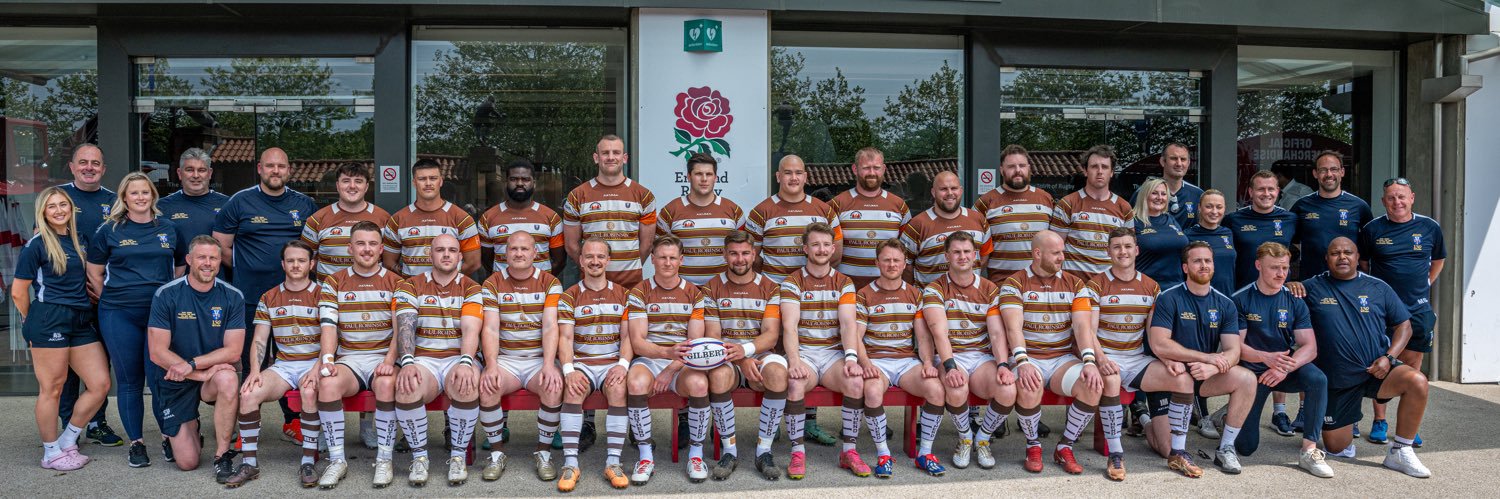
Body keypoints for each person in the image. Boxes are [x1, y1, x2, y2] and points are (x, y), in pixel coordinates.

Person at [1303, 237, 1432, 477]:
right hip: (1337, 381)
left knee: (1417, 381)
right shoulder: (1310, 287)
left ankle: (1400, 450)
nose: (1342, 257)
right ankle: (1346, 422)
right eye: (1335, 253)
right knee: (1336, 447)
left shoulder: (1378, 287)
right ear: (1326, 258)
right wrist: (1290, 285)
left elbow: (1405, 325)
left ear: (1357, 257)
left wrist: (1390, 358)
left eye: (1348, 252)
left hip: (1376, 370)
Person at [214, 147, 320, 437]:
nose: (276, 171)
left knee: (295, 360)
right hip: (250, 296)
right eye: (270, 166)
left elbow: (313, 248)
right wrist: (247, 269)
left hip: (296, 299)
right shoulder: (240, 201)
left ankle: (294, 422)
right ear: (259, 168)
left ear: (288, 170)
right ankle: (250, 424)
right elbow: (220, 245)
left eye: (281, 166)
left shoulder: (304, 203)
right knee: (253, 362)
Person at [85, 172, 187, 468]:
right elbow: (94, 271)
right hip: (119, 313)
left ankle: (168, 437)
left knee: (158, 380)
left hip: (158, 316)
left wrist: (166, 293)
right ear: (124, 198)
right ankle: (137, 444)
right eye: (134, 193)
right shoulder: (110, 230)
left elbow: (181, 264)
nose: (141, 197)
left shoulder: (168, 227)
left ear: (153, 196)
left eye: (145, 192)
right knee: (130, 381)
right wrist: (110, 298)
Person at [1085, 227, 1200, 479]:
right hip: (1108, 357)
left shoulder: (1151, 286)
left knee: (1183, 379)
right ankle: (1116, 455)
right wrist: (1101, 360)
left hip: (1136, 359)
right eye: (1116, 247)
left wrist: (1168, 359)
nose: (1122, 251)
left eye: (1127, 246)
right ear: (1108, 252)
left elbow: (1154, 334)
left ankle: (1178, 453)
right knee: (1112, 379)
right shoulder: (1096, 283)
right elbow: (1089, 332)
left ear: (1136, 250)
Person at [745, 154, 842, 446]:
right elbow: (753, 255)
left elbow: (836, 251)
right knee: (778, 359)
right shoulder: (761, 211)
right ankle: (772, 424)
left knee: (809, 356)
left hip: (815, 293)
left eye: (799, 172)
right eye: (787, 173)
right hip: (775, 295)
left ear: (806, 177)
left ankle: (809, 423)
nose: (793, 178)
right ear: (778, 177)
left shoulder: (824, 210)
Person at [12, 186, 112, 471]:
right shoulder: (37, 244)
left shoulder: (79, 240)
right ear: (43, 212)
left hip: (80, 319)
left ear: (71, 209)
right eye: (52, 206)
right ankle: (50, 452)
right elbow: (19, 292)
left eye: (63, 205)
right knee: (52, 389)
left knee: (100, 383)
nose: (58, 210)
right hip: (49, 319)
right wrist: (33, 321)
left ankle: (68, 440)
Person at [999, 230, 1114, 475]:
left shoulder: (1075, 283)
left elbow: (1083, 327)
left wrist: (1090, 361)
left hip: (1061, 358)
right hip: (1028, 356)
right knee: (1029, 384)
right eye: (1056, 253)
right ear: (1037, 253)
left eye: (1063, 251)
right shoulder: (1014, 283)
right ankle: (1033, 445)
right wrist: (1022, 361)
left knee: (1093, 384)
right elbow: (1013, 328)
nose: (1062, 257)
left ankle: (1064, 446)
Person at [1278, 151, 1371, 436]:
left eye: (1334, 169)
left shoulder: (1359, 207)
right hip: (1311, 289)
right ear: (1315, 175)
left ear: (1342, 172)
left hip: (1349, 291)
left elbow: (1365, 256)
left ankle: (1348, 413)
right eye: (1323, 170)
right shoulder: (1302, 206)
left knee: (1346, 349)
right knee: (1310, 349)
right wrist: (1290, 280)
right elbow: (1287, 248)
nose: (1328, 174)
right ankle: (1307, 410)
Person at [1147, 241, 1257, 474]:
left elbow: (1233, 350)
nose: (1204, 265)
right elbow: (1159, 344)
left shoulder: (1225, 304)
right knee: (1167, 449)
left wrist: (1215, 368)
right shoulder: (1169, 298)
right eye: (1197, 261)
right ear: (1186, 267)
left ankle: (1226, 448)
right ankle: (1147, 422)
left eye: (1208, 261)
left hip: (1203, 375)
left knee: (1247, 379)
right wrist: (1207, 358)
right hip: (1171, 376)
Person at [312, 221, 406, 489]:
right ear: (350, 247)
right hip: (350, 357)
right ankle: (337, 460)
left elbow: (401, 331)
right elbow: (328, 326)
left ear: (381, 249)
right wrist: (328, 360)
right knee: (328, 383)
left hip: (383, 356)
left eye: (373, 244)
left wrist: (389, 361)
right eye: (361, 243)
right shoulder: (334, 281)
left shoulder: (396, 282)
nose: (367, 249)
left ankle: (385, 459)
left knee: (387, 384)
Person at [223, 241, 324, 488]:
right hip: (285, 365)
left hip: (314, 362)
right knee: (248, 393)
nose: (296, 265)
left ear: (311, 264)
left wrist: (317, 368)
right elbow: (259, 338)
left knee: (309, 391)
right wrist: (255, 371)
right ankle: (249, 463)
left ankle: (308, 460)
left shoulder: (324, 294)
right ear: (283, 264)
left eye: (301, 260)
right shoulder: (269, 296)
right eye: (291, 261)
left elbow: (333, 339)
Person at [1230, 242, 1333, 478]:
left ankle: (1309, 450)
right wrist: (1265, 358)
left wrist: (1286, 368)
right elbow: (1236, 348)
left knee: (1317, 378)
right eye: (1274, 267)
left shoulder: (1295, 300)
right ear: (1258, 265)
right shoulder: (1241, 299)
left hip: (1282, 371)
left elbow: (1310, 346)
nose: (1281, 274)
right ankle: (1230, 414)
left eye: (1285, 268)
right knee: (1246, 448)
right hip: (1254, 374)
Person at [390, 234, 485, 487]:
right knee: (406, 386)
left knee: (467, 384)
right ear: (430, 255)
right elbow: (405, 327)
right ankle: (420, 458)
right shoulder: (410, 285)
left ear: (460, 256)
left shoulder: (472, 287)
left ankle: (457, 457)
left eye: (452, 250)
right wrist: (407, 362)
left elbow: (471, 329)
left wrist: (466, 361)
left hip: (457, 356)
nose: (446, 254)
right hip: (424, 359)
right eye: (440, 250)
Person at [147, 236, 246, 477]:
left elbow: (233, 351)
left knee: (228, 378)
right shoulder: (166, 294)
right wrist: (199, 373)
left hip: (205, 376)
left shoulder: (232, 295)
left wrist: (192, 365)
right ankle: (190, 425)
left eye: (213, 258)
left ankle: (222, 455)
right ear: (189, 259)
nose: (207, 263)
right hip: (177, 379)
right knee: (187, 462)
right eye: (201, 257)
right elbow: (157, 352)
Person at [623, 235, 718, 484]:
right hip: (652, 357)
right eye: (662, 257)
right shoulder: (639, 291)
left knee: (699, 384)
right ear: (652, 259)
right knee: (635, 383)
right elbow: (638, 341)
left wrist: (670, 369)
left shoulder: (694, 293)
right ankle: (645, 456)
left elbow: (694, 343)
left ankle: (696, 455)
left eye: (672, 258)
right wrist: (665, 355)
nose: (667, 262)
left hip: (683, 362)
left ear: (681, 260)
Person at [851, 239, 948, 478]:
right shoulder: (864, 294)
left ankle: (925, 453)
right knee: (872, 391)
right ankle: (883, 454)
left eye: (896, 260)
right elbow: (856, 336)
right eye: (886, 260)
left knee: (935, 389)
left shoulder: (915, 294)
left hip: (906, 361)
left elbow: (923, 337)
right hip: (876, 360)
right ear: (877, 263)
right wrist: (866, 364)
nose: (892, 264)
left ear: (905, 263)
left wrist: (927, 362)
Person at [1358, 177, 1444, 448]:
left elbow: (1439, 260)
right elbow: (1363, 264)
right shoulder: (1372, 229)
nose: (1397, 202)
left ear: (1412, 198)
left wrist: (1425, 284)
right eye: (1391, 197)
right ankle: (1380, 421)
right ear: (1384, 201)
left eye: (1402, 196)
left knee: (1412, 366)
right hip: (1382, 311)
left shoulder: (1429, 227)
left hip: (1418, 309)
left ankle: (1408, 425)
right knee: (1382, 363)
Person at [475, 231, 566, 485]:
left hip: (538, 359)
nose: (518, 254)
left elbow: (550, 327)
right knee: (488, 386)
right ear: (505, 253)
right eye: (513, 249)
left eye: (524, 249)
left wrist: (549, 365)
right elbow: (491, 328)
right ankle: (497, 453)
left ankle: (544, 452)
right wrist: (491, 365)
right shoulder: (492, 282)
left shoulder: (550, 282)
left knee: (553, 385)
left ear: (535, 253)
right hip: (507, 359)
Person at [700, 230, 788, 481]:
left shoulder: (770, 287)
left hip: (760, 353)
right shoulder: (711, 287)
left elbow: (771, 335)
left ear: (754, 254)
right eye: (734, 253)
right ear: (724, 255)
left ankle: (764, 451)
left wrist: (747, 351)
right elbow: (714, 336)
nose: (740, 259)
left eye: (745, 253)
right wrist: (740, 358)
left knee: (778, 375)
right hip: (725, 356)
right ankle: (729, 451)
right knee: (717, 376)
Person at [921, 232, 1011, 473]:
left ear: (975, 256)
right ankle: (965, 439)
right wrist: (949, 366)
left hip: (980, 356)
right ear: (947, 255)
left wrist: (1003, 365)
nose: (962, 256)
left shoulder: (990, 289)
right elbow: (938, 332)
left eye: (967, 252)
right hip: (952, 354)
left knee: (1007, 389)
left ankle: (982, 438)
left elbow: (996, 333)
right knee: (956, 387)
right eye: (956, 252)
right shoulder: (935, 288)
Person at [778, 222, 859, 480]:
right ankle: (797, 452)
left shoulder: (844, 282)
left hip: (833, 354)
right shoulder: (792, 282)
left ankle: (849, 451)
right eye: (815, 244)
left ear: (833, 248)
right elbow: (789, 327)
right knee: (794, 383)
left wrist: (850, 357)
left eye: (826, 244)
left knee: (855, 382)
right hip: (806, 353)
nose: (821, 249)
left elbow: (848, 324)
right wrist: (794, 361)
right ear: (805, 248)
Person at [57, 143, 122, 449]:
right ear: (72, 167)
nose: (89, 167)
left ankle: (97, 423)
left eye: (95, 163)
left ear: (103, 168)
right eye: (83, 162)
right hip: (67, 297)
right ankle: (68, 425)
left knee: (99, 363)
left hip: (103, 297)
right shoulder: (59, 198)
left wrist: (101, 286)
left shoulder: (115, 201)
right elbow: (47, 245)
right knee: (66, 367)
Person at [556, 236, 634, 489]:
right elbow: (565, 338)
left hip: (612, 361)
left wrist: (622, 365)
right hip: (583, 363)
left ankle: (613, 462)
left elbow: (627, 336)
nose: (595, 261)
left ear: (608, 260)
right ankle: (570, 464)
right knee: (573, 388)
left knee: (619, 388)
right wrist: (569, 370)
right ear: (580, 260)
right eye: (589, 256)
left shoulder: (624, 295)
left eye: (600, 256)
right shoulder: (569, 296)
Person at [563, 134, 658, 289]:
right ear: (596, 157)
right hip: (591, 284)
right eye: (605, 153)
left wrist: (630, 268)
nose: (611, 157)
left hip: (631, 285)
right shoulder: (577, 196)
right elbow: (571, 245)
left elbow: (647, 245)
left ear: (625, 158)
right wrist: (592, 268)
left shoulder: (644, 196)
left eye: (616, 152)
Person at [383, 158, 482, 277]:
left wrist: (445, 280)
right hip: (412, 292)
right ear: (414, 183)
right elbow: (389, 262)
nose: (428, 183)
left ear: (440, 181)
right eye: (422, 179)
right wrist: (409, 279)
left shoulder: (462, 218)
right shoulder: (398, 219)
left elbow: (473, 263)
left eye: (433, 178)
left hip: (449, 293)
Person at [658, 152, 744, 286]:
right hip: (682, 290)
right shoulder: (669, 211)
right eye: (698, 174)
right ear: (688, 177)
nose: (704, 179)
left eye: (709, 174)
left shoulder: (734, 211)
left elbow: (744, 253)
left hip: (724, 289)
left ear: (715, 178)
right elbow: (660, 254)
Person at [829, 147, 910, 289]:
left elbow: (908, 251)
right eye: (866, 168)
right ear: (855, 169)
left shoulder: (899, 206)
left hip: (888, 288)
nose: (872, 173)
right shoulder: (838, 204)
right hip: (845, 287)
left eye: (876, 168)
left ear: (884, 169)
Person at [974, 144, 1054, 283]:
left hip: (1041, 285)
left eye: (1022, 165)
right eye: (1011, 166)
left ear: (1029, 168)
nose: (1018, 170)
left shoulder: (1046, 199)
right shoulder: (986, 202)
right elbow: (972, 246)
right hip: (1001, 285)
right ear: (1001, 170)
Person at [301, 162, 393, 281]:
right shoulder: (317, 219)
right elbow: (306, 259)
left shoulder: (384, 218)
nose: (352, 186)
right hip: (329, 296)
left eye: (358, 181)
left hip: (372, 295)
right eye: (346, 181)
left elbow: (389, 260)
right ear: (338, 185)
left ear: (366, 187)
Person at [1052, 145, 1133, 277]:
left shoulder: (1124, 208)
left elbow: (1127, 254)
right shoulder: (1067, 204)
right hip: (1075, 287)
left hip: (1109, 287)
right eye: (1094, 166)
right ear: (1085, 171)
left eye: (1105, 167)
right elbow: (1054, 251)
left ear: (1112, 172)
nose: (1100, 171)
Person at [478, 159, 565, 276]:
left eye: (525, 179)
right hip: (502, 291)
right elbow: (486, 261)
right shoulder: (488, 218)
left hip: (541, 290)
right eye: (514, 179)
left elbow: (559, 261)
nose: (519, 183)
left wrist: (541, 281)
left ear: (534, 183)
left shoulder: (551, 217)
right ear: (506, 183)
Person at [901, 171, 990, 285]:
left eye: (954, 188)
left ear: (961, 190)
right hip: (929, 300)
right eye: (943, 189)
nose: (949, 193)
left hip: (970, 300)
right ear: (933, 192)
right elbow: (906, 266)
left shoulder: (979, 220)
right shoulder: (917, 225)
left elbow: (983, 258)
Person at [1224, 170, 1297, 290]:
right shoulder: (1233, 220)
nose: (1266, 193)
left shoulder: (1291, 219)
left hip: (1279, 292)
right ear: (1251, 192)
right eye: (1261, 189)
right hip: (1243, 291)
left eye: (1271, 189)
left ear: (1277, 191)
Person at [158, 147, 231, 241]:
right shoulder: (162, 206)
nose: (196, 175)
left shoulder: (228, 204)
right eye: (189, 170)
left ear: (209, 173)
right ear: (179, 173)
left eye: (201, 170)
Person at [1131, 177, 1189, 290]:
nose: (1159, 198)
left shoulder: (1170, 219)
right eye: (1154, 193)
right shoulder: (1133, 221)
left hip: (1175, 290)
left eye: (1163, 194)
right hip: (1145, 290)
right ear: (1144, 195)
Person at [1183, 190, 1238, 303]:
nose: (1214, 211)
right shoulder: (1187, 235)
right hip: (1198, 299)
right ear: (1199, 207)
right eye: (1209, 206)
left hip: (1227, 297)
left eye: (1219, 207)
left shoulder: (1228, 233)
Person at [1133, 143, 1203, 228]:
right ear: (1162, 161)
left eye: (1183, 159)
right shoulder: (1144, 192)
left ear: (1188, 163)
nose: (1179, 163)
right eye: (1173, 158)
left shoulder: (1197, 194)